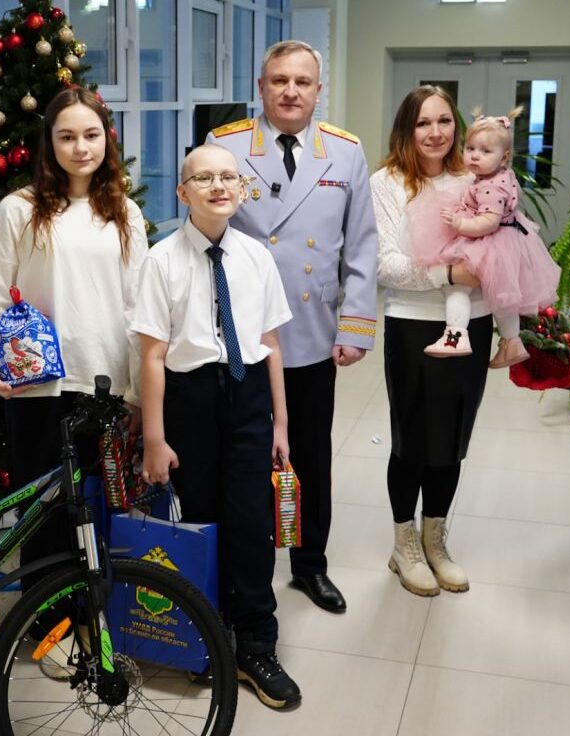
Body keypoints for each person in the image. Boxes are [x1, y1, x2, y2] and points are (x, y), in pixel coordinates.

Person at [0, 87, 148, 647]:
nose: (80, 148)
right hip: (37, 386)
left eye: (90, 135)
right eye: (67, 137)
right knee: (43, 516)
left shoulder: (124, 212)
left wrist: (140, 392)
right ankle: (48, 628)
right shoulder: (19, 209)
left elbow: (140, 308)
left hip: (104, 384)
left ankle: (93, 617)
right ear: (49, 143)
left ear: (106, 140)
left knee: (95, 509)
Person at [206, 40, 378, 614]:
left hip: (309, 330)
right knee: (243, 456)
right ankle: (242, 569)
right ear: (261, 87)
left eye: (302, 82)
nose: (290, 92)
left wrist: (355, 327)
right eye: (279, 80)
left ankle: (310, 565)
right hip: (239, 333)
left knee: (310, 454)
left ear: (318, 91)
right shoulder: (226, 145)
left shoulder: (345, 152)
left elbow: (361, 245)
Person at [133, 143, 300, 709]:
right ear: (183, 192)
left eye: (229, 176)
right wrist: (154, 438)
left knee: (251, 522)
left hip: (248, 394)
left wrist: (280, 423)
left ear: (242, 188)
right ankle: (205, 631)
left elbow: (271, 343)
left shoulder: (256, 257)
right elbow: (153, 355)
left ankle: (255, 643)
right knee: (200, 519)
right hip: (190, 397)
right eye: (203, 178)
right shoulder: (161, 261)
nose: (219, 186)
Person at [369, 85, 489, 597]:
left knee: (452, 441)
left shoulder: (475, 177)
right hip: (414, 324)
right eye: (423, 123)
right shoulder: (387, 182)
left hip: (473, 322)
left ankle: (434, 541)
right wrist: (450, 273)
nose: (435, 132)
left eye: (444, 121)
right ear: (406, 129)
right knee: (413, 440)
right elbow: (385, 264)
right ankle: (405, 546)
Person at [407, 107, 560, 366]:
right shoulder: (500, 176)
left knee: (457, 286)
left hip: (490, 241)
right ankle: (512, 342)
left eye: (485, 151)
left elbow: (489, 222)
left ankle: (455, 335)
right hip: (508, 241)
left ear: (504, 157)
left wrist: (460, 223)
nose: (475, 156)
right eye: (470, 149)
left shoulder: (490, 187)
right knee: (503, 297)